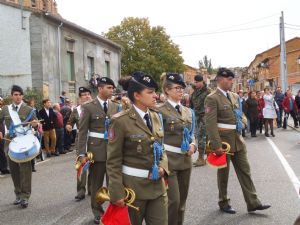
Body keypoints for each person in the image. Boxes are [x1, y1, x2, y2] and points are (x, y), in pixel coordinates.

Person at [205, 68, 270, 214]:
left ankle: (253, 202)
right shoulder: (212, 98)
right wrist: (216, 145)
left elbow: (240, 113)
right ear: (220, 79)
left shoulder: (234, 96)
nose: (231, 82)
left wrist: (244, 122)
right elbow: (210, 123)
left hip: (237, 140)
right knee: (223, 174)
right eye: (229, 79)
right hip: (223, 142)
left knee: (245, 171)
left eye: (232, 79)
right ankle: (223, 201)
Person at [107, 72, 169, 225]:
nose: (155, 95)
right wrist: (116, 192)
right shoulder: (121, 121)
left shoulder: (156, 116)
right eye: (150, 92)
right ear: (137, 95)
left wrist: (163, 167)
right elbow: (113, 160)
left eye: (155, 91)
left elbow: (161, 149)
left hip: (157, 188)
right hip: (133, 189)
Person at [78, 78, 121, 224]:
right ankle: (97, 211)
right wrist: (81, 153)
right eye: (109, 87)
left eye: (112, 88)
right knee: (96, 183)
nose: (112, 90)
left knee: (114, 183)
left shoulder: (116, 106)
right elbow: (82, 132)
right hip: (96, 150)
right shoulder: (88, 106)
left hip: (114, 151)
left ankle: (113, 211)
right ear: (100, 88)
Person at [158, 73, 196, 225]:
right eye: (177, 88)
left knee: (182, 202)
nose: (181, 91)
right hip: (169, 161)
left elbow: (192, 133)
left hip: (186, 161)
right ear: (167, 90)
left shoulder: (188, 111)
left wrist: (193, 145)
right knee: (173, 200)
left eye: (182, 88)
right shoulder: (159, 110)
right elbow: (156, 136)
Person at [0, 85, 39, 208]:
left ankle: (25, 196)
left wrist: (35, 124)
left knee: (25, 170)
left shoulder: (28, 109)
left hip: (24, 142)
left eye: (20, 95)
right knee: (14, 170)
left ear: (22, 96)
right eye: (15, 94)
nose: (18, 97)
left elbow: (36, 124)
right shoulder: (6, 109)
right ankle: (18, 194)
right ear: (12, 96)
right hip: (10, 142)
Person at [66, 87, 92, 201]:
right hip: (81, 140)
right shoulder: (76, 110)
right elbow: (70, 122)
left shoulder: (96, 108)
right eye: (84, 95)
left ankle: (92, 188)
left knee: (95, 166)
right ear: (80, 98)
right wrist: (69, 126)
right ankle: (81, 191)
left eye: (88, 94)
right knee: (81, 166)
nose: (87, 96)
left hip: (94, 140)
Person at [190, 74, 211, 167]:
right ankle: (206, 157)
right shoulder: (195, 92)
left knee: (202, 137)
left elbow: (211, 105)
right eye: (195, 82)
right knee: (201, 137)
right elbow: (192, 104)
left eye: (197, 82)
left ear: (202, 82)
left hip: (205, 117)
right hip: (197, 117)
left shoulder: (208, 91)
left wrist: (208, 115)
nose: (196, 84)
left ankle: (201, 158)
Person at [0, 97, 10, 175]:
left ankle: (3, 168)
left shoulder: (2, 110)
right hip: (1, 132)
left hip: (3, 132)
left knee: (2, 150)